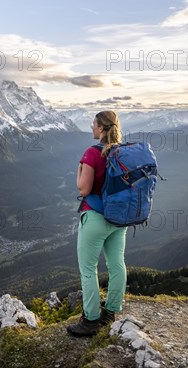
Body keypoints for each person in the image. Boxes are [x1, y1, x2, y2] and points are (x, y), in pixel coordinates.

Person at [67, 110, 128, 337]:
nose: (91, 127)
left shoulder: (92, 153)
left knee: (88, 269)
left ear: (101, 128)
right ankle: (111, 311)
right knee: (117, 264)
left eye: (93, 123)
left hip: (95, 217)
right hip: (120, 218)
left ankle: (91, 320)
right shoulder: (123, 152)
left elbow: (83, 188)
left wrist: (79, 170)